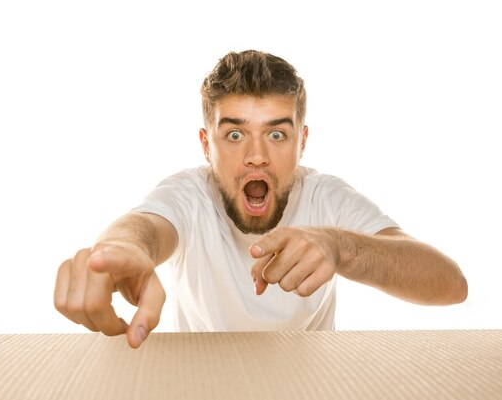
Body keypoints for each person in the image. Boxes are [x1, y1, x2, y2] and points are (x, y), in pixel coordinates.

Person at [54, 50, 468, 348]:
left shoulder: (326, 197)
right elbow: (145, 228)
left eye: (276, 134)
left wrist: (341, 248)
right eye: (234, 134)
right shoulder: (190, 194)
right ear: (206, 145)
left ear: (301, 141)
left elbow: (451, 285)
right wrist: (119, 251)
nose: (256, 155)